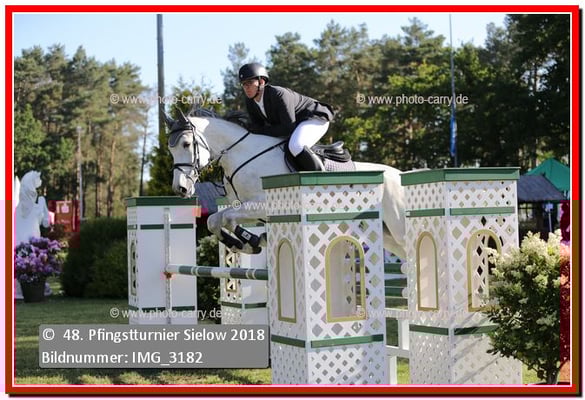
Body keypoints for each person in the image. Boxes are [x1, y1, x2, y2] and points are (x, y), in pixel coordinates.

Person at [238, 62, 335, 171]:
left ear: (261, 82)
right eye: (243, 84)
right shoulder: (250, 102)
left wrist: (260, 130)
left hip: (314, 117)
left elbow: (288, 128)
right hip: (296, 124)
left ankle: (320, 176)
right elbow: (257, 128)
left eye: (250, 83)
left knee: (296, 146)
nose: (246, 87)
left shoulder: (279, 94)